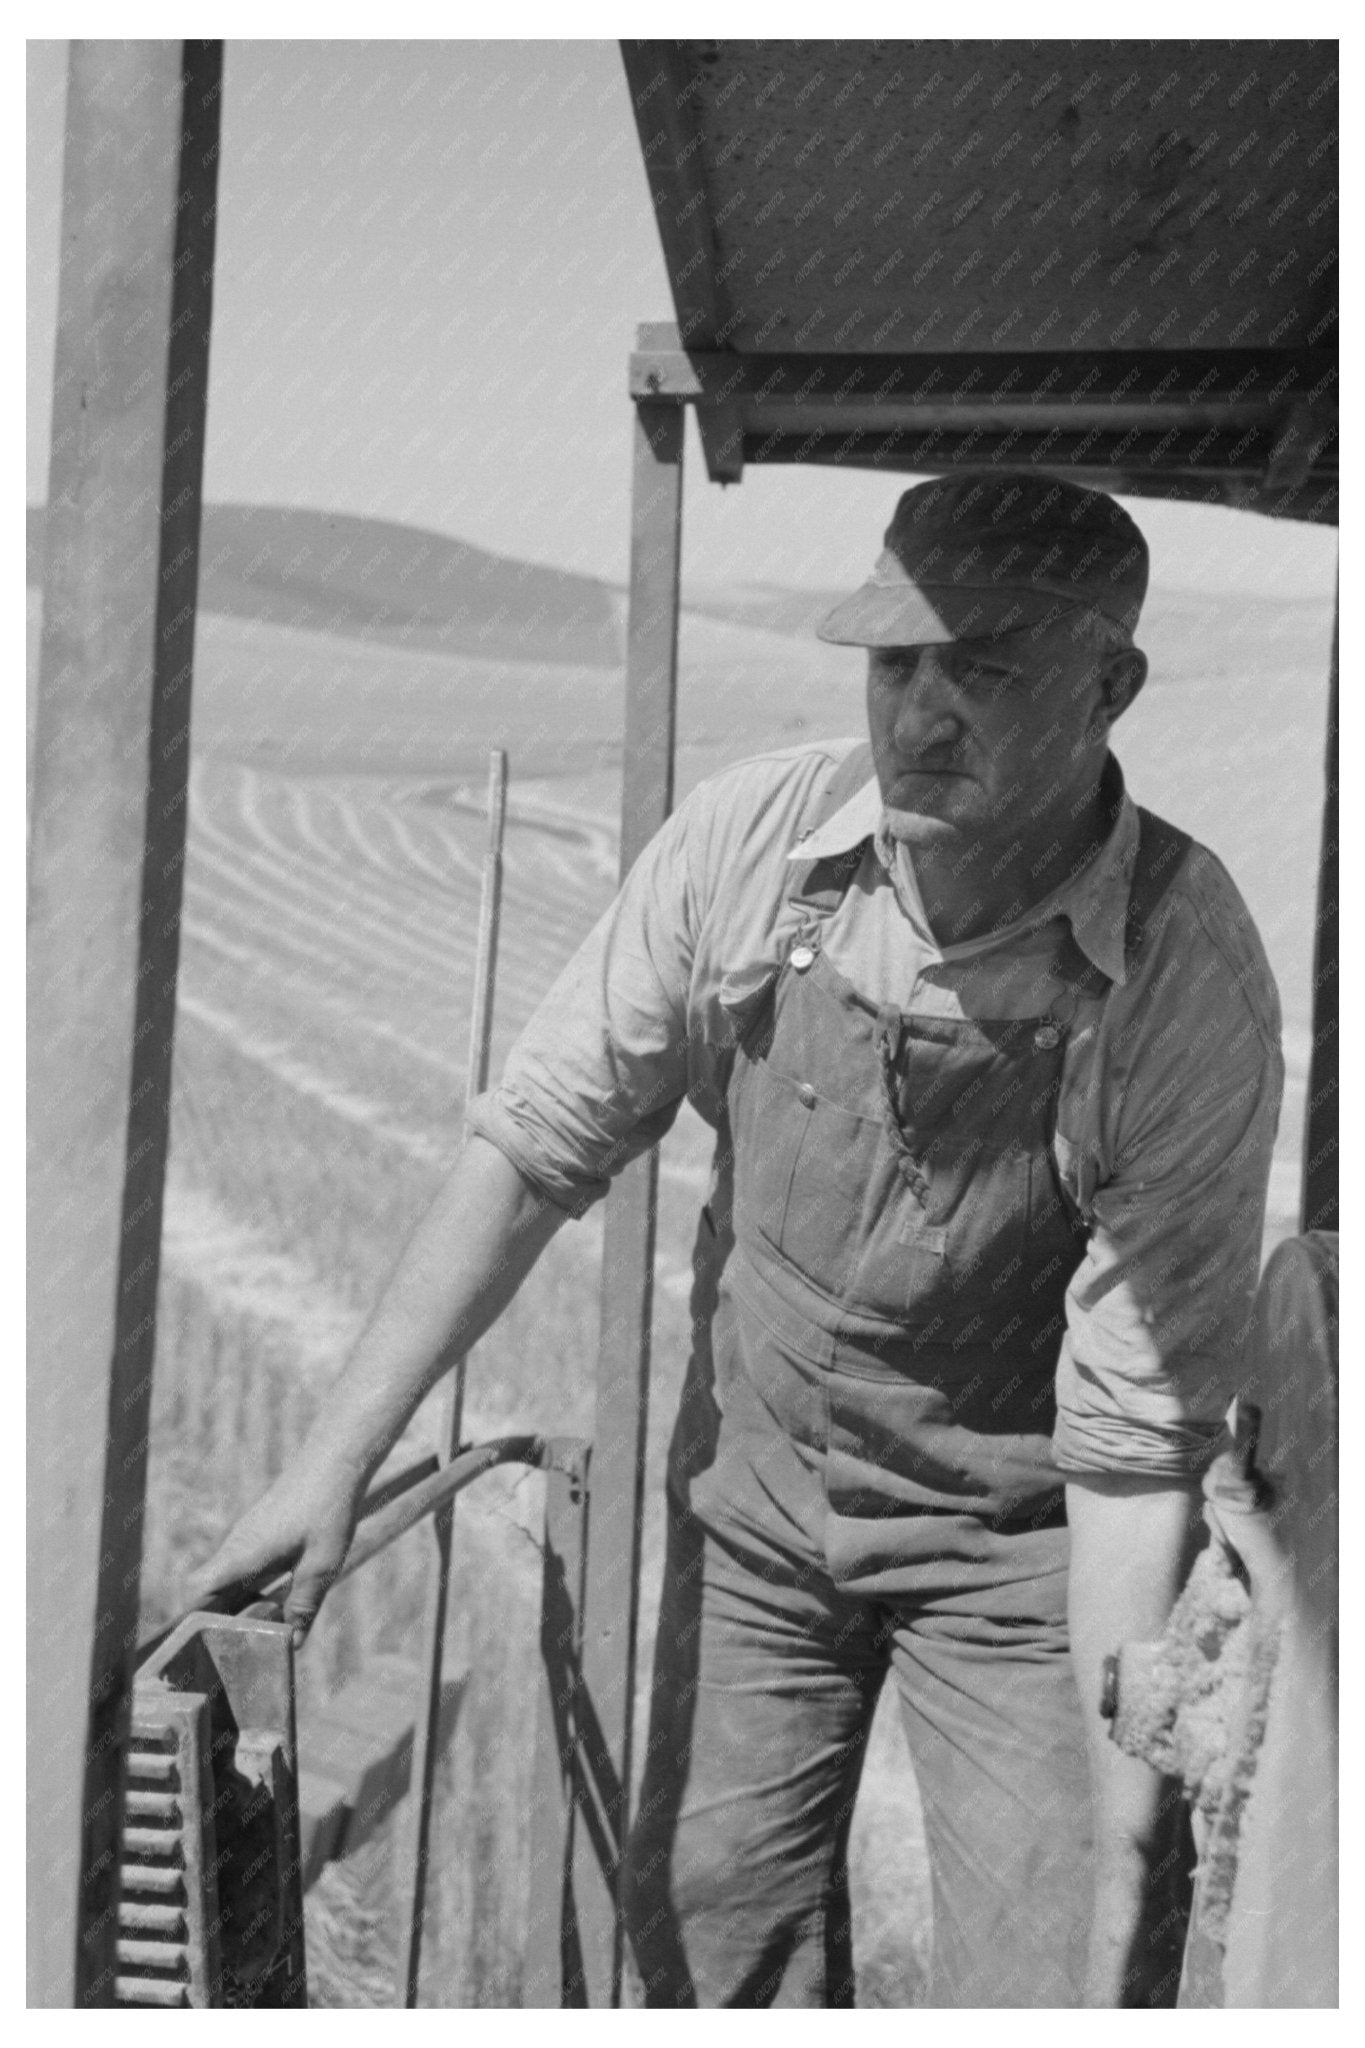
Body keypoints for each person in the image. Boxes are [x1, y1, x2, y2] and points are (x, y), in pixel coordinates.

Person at [192, 472, 1283, 2008]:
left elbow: (1128, 1444)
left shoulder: (1177, 971)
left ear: (1112, 689)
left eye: (981, 668)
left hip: (1021, 1555)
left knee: (1050, 1973)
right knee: (708, 1930)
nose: (920, 711)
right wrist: (330, 1465)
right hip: (756, 1504)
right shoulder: (750, 847)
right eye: (892, 663)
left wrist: (1124, 1843)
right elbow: (533, 1146)